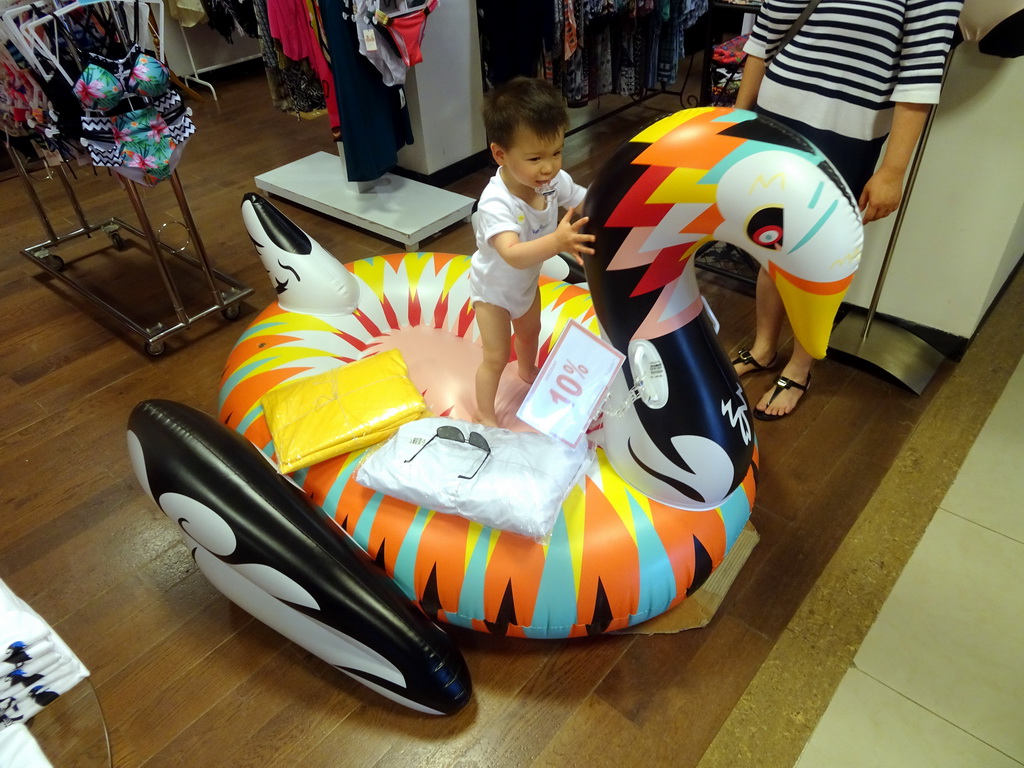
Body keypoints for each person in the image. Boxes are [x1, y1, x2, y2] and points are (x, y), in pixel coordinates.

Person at [731, 0, 964, 420]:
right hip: (775, 117)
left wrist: (893, 169)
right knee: (772, 242)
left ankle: (800, 366)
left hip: (850, 134)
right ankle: (765, 347)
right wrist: (739, 117)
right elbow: (765, 34)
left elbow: (920, 72)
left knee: (820, 257)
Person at [470, 77, 595, 427]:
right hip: (492, 291)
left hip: (524, 286)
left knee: (529, 333)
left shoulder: (551, 182)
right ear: (501, 154)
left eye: (556, 152)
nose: (549, 166)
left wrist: (608, 207)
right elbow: (511, 252)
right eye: (536, 157)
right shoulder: (496, 201)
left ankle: (528, 370)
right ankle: (484, 412)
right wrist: (557, 242)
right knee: (495, 356)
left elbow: (584, 200)